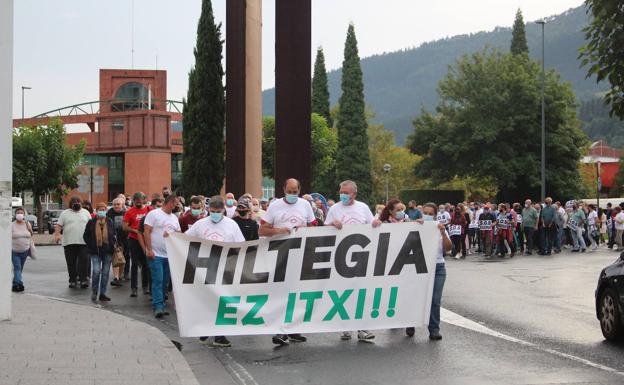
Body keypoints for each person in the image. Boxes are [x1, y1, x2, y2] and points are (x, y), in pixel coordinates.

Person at [259, 178, 316, 346]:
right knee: (280, 294)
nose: (292, 195)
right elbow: (262, 229)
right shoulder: (275, 206)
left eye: (295, 192)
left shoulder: (305, 205)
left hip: (300, 255)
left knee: (297, 293)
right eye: (289, 191)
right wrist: (279, 230)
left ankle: (293, 329)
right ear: (283, 189)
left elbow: (314, 226)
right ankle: (279, 330)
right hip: (279, 255)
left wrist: (305, 230)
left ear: (299, 191)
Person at [325, 180, 382, 342]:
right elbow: (324, 228)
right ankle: (345, 328)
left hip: (361, 258)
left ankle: (362, 328)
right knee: (344, 293)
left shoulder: (363, 207)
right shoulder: (334, 209)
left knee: (361, 293)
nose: (343, 195)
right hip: (341, 258)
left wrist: (376, 223)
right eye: (341, 192)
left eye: (346, 193)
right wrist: (331, 224)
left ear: (354, 194)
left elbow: (371, 225)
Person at [186, 196, 245, 347]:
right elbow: (185, 239)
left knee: (223, 300)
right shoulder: (200, 225)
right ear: (208, 210)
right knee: (207, 299)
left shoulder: (232, 225)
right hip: (205, 268)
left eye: (218, 211)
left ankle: (220, 335)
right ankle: (206, 328)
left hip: (225, 268)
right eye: (212, 211)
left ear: (223, 210)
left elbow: (241, 245)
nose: (215, 214)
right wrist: (171, 236)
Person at [405, 202, 451, 340]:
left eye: (431, 214)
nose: (428, 216)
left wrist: (443, 233)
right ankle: (411, 322)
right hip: (418, 267)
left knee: (435, 300)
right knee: (416, 297)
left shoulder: (440, 228)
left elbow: (448, 248)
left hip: (438, 267)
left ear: (436, 215)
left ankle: (434, 329)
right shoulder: (416, 226)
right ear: (422, 213)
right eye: (426, 213)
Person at [144, 195, 181, 318]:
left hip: (169, 255)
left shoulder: (174, 218)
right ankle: (158, 306)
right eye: (176, 204)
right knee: (158, 280)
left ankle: (162, 304)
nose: (178, 206)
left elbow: (178, 233)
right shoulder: (154, 214)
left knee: (165, 282)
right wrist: (149, 249)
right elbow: (146, 232)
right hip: (156, 254)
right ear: (170, 203)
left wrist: (172, 234)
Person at [55, 196, 92, 288]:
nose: (76, 203)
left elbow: (91, 225)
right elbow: (59, 225)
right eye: (74, 202)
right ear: (70, 204)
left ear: (81, 203)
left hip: (83, 242)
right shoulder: (65, 213)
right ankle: (72, 280)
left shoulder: (86, 212)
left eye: (78, 202)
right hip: (69, 242)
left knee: (84, 262)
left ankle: (83, 280)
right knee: (71, 262)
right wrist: (57, 235)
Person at [83, 202, 116, 302]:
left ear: (106, 210)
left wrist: (112, 244)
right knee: (96, 271)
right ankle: (94, 291)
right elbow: (85, 236)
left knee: (105, 273)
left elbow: (114, 234)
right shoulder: (91, 222)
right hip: (95, 251)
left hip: (107, 252)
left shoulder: (109, 221)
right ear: (96, 211)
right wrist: (91, 245)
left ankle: (102, 293)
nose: (102, 211)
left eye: (103, 210)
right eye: (100, 210)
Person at [123, 192, 150, 297]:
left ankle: (145, 286)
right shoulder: (129, 212)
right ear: (133, 200)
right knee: (134, 264)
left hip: (146, 240)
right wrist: (136, 231)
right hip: (134, 240)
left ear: (144, 200)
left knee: (146, 264)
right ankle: (133, 288)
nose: (138, 201)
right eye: (136, 199)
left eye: (140, 199)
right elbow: (124, 227)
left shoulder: (149, 210)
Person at [107, 197, 127, 287]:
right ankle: (116, 277)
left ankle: (120, 275)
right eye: (114, 204)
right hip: (113, 239)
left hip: (125, 238)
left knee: (122, 259)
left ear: (122, 205)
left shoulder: (126, 213)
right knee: (116, 257)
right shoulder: (109, 213)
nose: (116, 206)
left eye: (118, 204)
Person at [12, 207, 33, 292]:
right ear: (15, 214)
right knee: (17, 267)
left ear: (24, 215)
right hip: (14, 251)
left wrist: (30, 231)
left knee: (20, 269)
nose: (20, 215)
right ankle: (18, 284)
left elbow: (31, 234)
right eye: (18, 213)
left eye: (21, 213)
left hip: (25, 250)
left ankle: (14, 282)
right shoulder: (11, 225)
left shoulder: (27, 224)